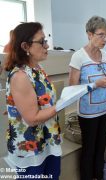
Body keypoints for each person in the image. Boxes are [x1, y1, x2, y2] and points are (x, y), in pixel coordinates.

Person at [4, 22, 62, 179]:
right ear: (25, 46)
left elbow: (39, 100)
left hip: (46, 139)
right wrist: (62, 104)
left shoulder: (37, 69)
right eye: (42, 41)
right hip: (31, 147)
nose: (47, 45)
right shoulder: (21, 76)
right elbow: (32, 119)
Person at [68, 16, 106, 180]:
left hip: (105, 109)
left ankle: (99, 175)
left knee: (101, 146)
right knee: (89, 149)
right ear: (89, 34)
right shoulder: (78, 57)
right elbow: (72, 89)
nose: (104, 39)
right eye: (100, 34)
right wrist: (95, 84)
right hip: (88, 113)